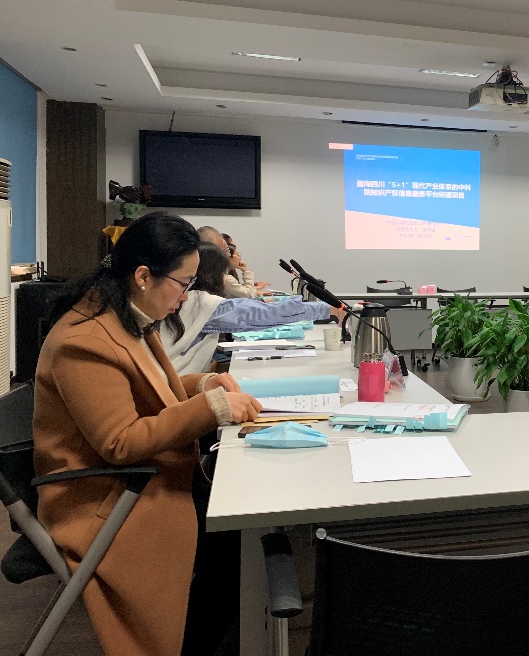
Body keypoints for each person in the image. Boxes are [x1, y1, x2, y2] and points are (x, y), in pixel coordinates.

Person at [33, 212, 263, 656]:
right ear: (142, 276)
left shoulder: (123, 316)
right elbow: (120, 441)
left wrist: (203, 385)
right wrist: (211, 408)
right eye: (183, 283)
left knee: (240, 524)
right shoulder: (84, 341)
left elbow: (153, 389)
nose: (186, 296)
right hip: (105, 495)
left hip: (138, 478)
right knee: (236, 541)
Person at [164, 243, 345, 375]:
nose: (225, 279)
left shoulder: (191, 300)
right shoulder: (199, 303)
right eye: (223, 273)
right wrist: (329, 309)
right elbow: (267, 314)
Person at [196, 225, 260, 298]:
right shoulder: (225, 279)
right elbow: (248, 295)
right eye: (225, 250)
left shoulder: (221, 276)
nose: (228, 255)